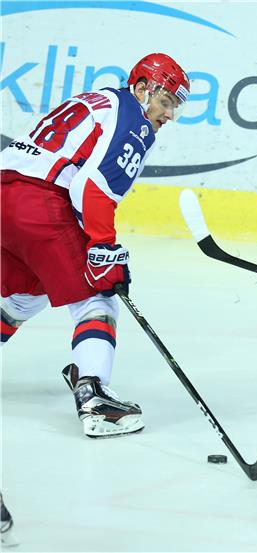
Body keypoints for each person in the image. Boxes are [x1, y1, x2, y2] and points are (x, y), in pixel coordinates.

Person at [0, 53, 190, 438]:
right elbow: (93, 186)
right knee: (96, 296)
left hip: (7, 194)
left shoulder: (99, 100)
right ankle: (95, 399)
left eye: (175, 107)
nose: (168, 115)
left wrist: (92, 241)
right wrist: (102, 248)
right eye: (166, 101)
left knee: (25, 295)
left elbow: (77, 175)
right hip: (40, 201)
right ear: (142, 88)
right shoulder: (136, 123)